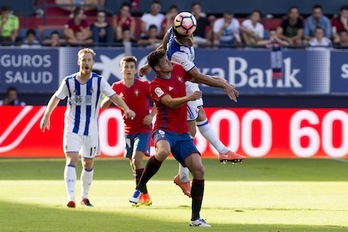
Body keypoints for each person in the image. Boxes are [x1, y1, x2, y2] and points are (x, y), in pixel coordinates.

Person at [130, 49, 236, 226]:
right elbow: (170, 102)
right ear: (157, 67)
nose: (169, 62)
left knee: (200, 170)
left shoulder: (178, 70)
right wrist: (189, 97)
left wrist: (219, 81)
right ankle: (140, 188)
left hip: (181, 133)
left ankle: (195, 218)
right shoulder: (155, 85)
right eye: (165, 61)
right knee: (163, 151)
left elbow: (197, 77)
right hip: (163, 130)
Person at [139, 25, 245, 197]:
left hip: (189, 83)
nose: (191, 38)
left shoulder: (172, 32)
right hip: (184, 86)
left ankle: (185, 175)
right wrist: (222, 84)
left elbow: (161, 49)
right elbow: (197, 76)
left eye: (191, 33)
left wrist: (147, 65)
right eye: (187, 35)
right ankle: (220, 152)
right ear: (181, 35)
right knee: (189, 130)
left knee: (194, 126)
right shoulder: (179, 55)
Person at [39, 48, 135, 208]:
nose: (86, 62)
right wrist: (46, 115)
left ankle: (84, 197)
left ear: (93, 62)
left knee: (88, 163)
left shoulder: (99, 81)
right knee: (72, 158)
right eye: (84, 59)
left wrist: (126, 108)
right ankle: (71, 197)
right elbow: (56, 97)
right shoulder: (69, 81)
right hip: (72, 127)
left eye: (89, 60)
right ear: (78, 62)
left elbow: (114, 96)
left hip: (91, 128)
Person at [101, 56, 156, 206]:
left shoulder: (144, 85)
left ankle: (137, 193)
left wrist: (151, 115)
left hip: (143, 128)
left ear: (135, 69)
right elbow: (103, 106)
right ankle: (145, 195)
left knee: (136, 159)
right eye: (126, 67)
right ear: (121, 69)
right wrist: (112, 98)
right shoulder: (116, 86)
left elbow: (158, 100)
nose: (129, 69)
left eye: (132, 67)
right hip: (127, 130)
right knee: (133, 164)